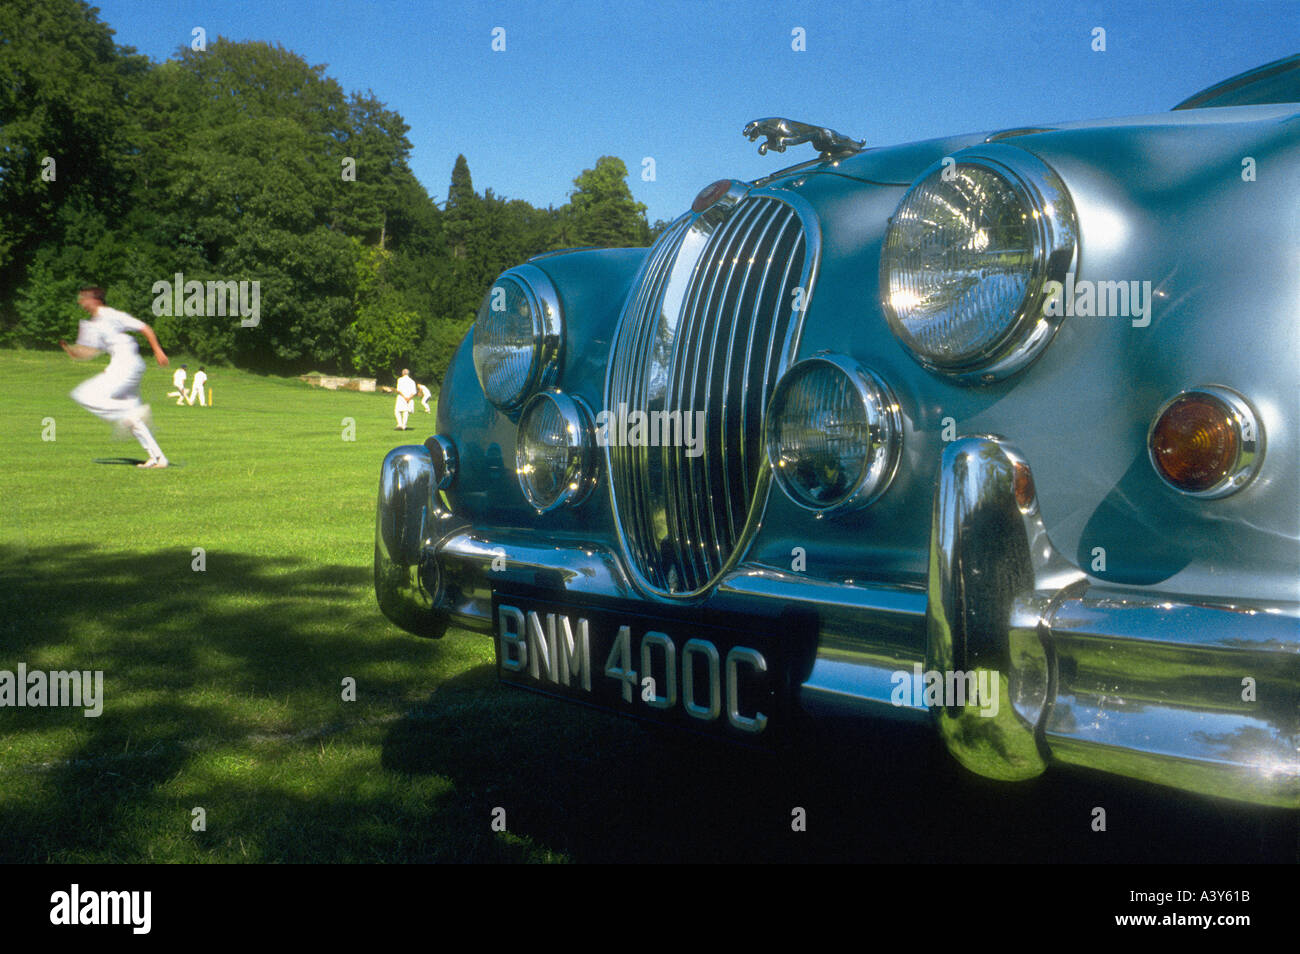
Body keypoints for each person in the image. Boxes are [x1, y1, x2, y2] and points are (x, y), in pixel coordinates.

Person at [60, 287, 170, 468]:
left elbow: (144, 328)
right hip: (122, 365)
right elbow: (89, 351)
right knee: (134, 422)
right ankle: (158, 458)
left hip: (127, 363)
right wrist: (73, 352)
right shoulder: (92, 324)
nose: (81, 302)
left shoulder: (111, 314)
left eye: (84, 298)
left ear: (95, 300)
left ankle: (128, 412)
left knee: (83, 395)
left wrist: (158, 350)